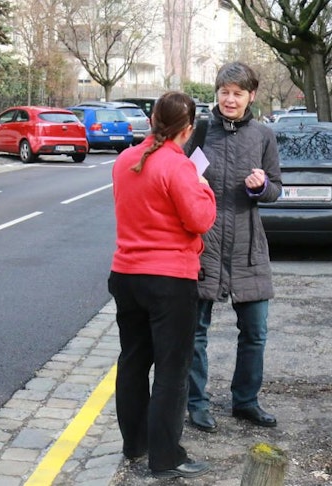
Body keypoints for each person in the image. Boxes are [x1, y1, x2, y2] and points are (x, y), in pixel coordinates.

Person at [108, 91, 217, 479]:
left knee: (134, 361)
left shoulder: (124, 161)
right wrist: (203, 184)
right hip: (170, 279)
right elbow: (201, 219)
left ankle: (135, 443)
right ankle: (165, 457)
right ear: (187, 130)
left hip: (126, 274)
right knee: (172, 370)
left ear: (152, 120)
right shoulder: (178, 166)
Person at [184, 61, 283, 432]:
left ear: (250, 96)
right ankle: (196, 403)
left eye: (238, 93)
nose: (230, 99)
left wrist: (261, 187)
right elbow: (179, 178)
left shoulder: (263, 136)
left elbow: (275, 188)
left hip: (248, 248)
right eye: (224, 92)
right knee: (195, 332)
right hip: (203, 245)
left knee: (255, 332)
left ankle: (245, 401)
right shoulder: (200, 132)